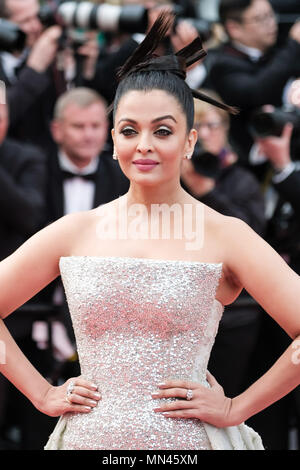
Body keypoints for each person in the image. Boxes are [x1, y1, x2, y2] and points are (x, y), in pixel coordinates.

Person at [0, 13, 300, 451]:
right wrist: (41, 392)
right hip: (89, 441)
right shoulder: (74, 231)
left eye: (162, 130)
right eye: (128, 130)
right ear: (113, 139)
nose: (143, 145)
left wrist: (238, 408)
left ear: (190, 141)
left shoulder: (226, 235)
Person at [180, 89, 266, 401]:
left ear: (226, 131)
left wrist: (207, 192)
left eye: (212, 125)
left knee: (222, 401)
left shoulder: (241, 179)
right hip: (180, 315)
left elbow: (253, 238)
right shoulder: (167, 179)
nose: (205, 135)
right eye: (196, 127)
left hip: (234, 318)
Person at [208, 0, 300, 166]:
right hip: (258, 164)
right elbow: (257, 91)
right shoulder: (222, 64)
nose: (271, 23)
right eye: (261, 19)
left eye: (271, 15)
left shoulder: (279, 48)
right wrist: (293, 45)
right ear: (234, 28)